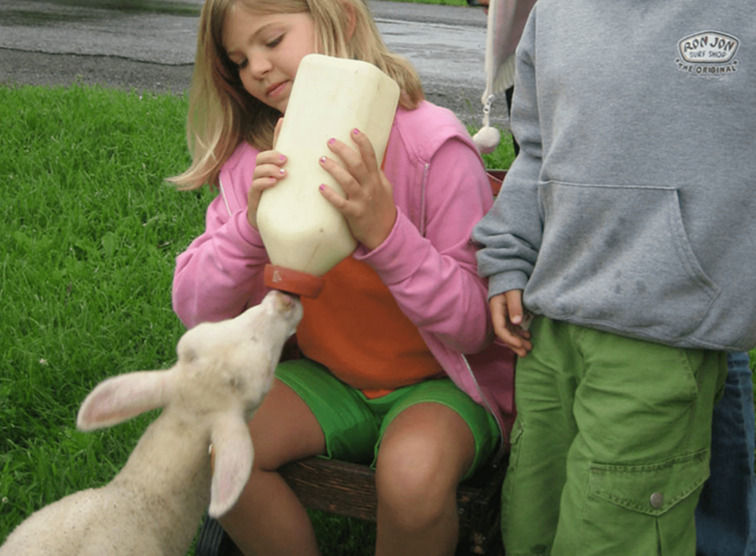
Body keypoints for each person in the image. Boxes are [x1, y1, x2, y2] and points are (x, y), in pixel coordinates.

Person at [169, 0, 515, 554]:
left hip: (443, 385)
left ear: (343, 19)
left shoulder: (430, 146)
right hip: (332, 377)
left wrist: (386, 235)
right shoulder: (255, 157)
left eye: (272, 39)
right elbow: (195, 309)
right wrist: (249, 229)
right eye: (238, 59)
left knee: (412, 476)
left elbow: (475, 325)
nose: (256, 67)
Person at [472, 1, 756, 554]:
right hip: (547, 331)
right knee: (530, 522)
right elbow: (534, 151)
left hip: (663, 338)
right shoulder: (552, 13)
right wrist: (508, 254)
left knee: (611, 536)